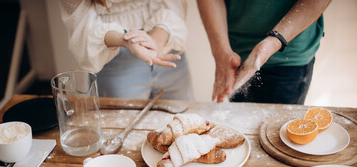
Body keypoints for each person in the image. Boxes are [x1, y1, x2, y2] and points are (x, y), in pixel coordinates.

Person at [197, 0, 331, 104]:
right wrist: (221, 52)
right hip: (235, 53)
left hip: (288, 55)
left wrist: (275, 41)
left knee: (277, 133)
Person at [59, 0, 194, 100]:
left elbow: (176, 4)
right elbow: (80, 24)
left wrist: (155, 42)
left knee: (185, 128)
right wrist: (124, 39)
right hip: (111, 55)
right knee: (123, 133)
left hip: (168, 49)